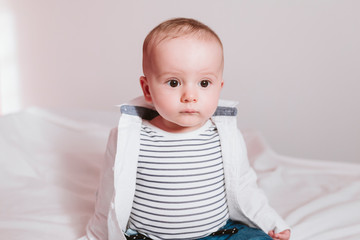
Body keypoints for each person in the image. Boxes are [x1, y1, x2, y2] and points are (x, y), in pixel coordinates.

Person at [81, 18, 291, 240]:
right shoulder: (129, 138)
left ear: (219, 88)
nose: (190, 96)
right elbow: (107, 197)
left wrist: (272, 223)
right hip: (149, 237)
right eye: (173, 82)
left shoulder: (224, 137)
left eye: (204, 83)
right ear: (147, 89)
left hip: (218, 233)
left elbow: (245, 187)